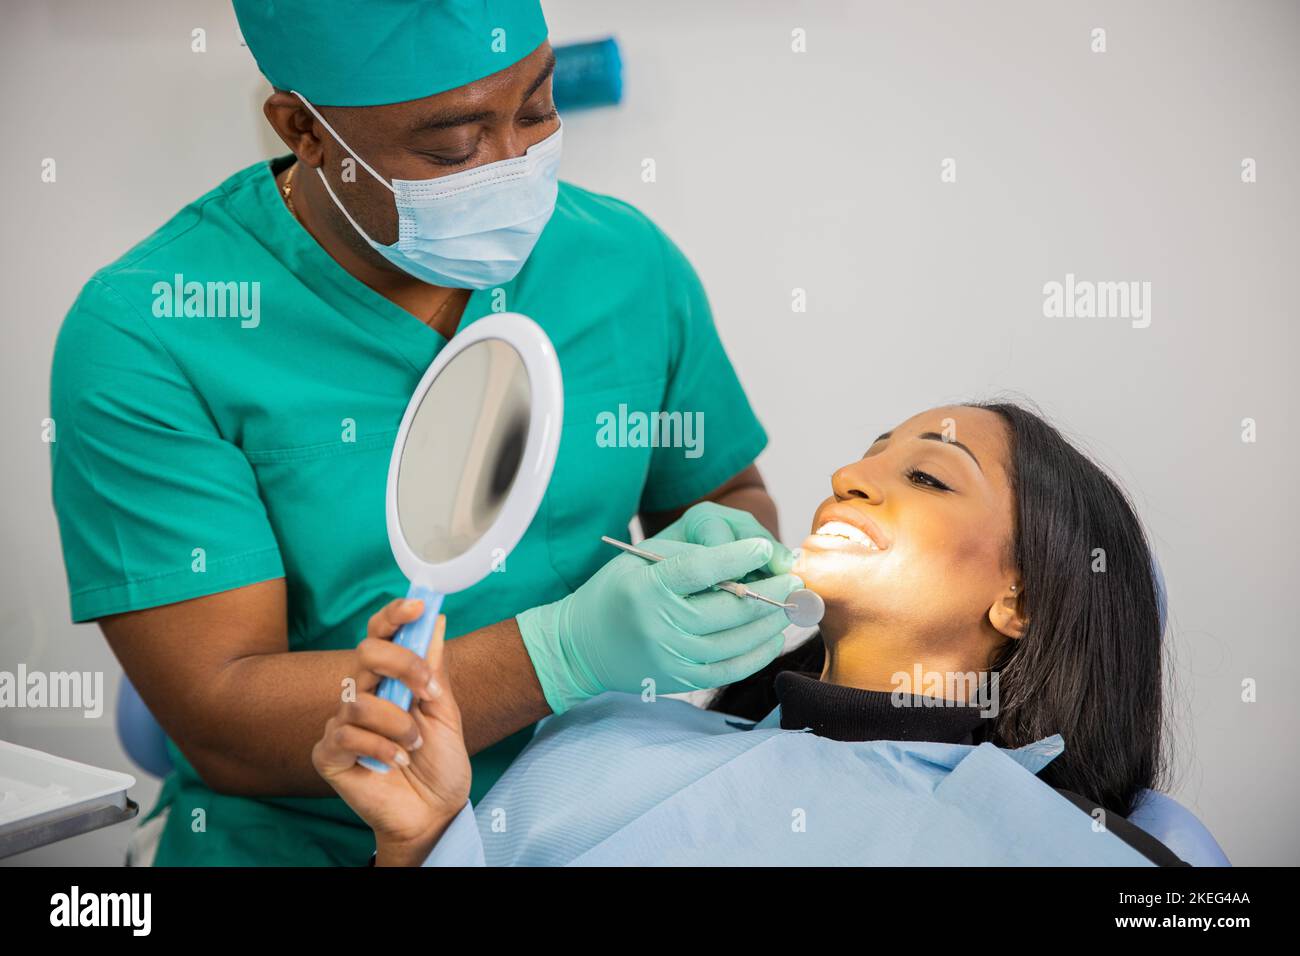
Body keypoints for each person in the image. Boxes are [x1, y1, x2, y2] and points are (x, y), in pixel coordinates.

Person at [48, 0, 796, 866]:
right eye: (453, 146)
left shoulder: (624, 260)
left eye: (539, 107)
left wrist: (734, 556)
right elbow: (223, 720)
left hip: (609, 816)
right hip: (311, 840)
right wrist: (562, 654)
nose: (514, 165)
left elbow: (723, 494)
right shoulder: (151, 330)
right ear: (306, 130)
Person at [315, 402, 1185, 866]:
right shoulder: (606, 738)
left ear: (1019, 601)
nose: (849, 475)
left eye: (926, 474)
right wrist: (422, 839)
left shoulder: (1083, 841)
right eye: (866, 454)